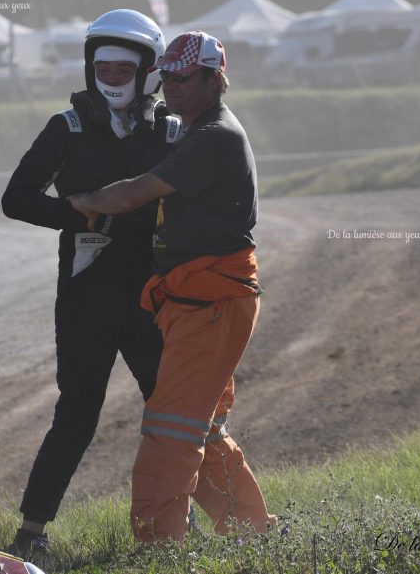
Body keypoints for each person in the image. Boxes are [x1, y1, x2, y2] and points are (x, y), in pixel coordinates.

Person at [69, 31, 278, 545]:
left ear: (214, 79)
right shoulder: (198, 130)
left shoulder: (214, 136)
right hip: (200, 300)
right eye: (167, 78)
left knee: (169, 430)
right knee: (197, 427)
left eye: (184, 79)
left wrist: (82, 201)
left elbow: (138, 193)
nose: (171, 89)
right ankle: (254, 534)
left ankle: (157, 546)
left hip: (210, 301)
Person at [1, 9, 182, 563]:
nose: (111, 77)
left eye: (124, 69)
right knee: (78, 411)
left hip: (153, 295)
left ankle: (179, 521)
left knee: (171, 409)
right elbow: (16, 198)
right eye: (103, 66)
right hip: (86, 294)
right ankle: (32, 532)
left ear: (148, 71)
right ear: (88, 66)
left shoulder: (172, 130)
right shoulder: (67, 126)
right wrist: (77, 215)